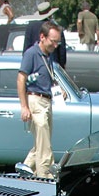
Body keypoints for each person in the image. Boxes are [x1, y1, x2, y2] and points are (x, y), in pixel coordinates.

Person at [18, 21, 63, 178]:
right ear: (42, 37)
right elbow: (21, 79)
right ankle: (45, 178)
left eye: (58, 42)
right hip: (35, 100)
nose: (56, 45)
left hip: (47, 100)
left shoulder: (48, 55)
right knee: (44, 147)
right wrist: (24, 107)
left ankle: (23, 172)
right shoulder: (31, 54)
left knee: (41, 144)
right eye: (53, 41)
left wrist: (59, 89)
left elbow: (48, 76)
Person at [23, 2, 65, 66]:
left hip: (34, 64)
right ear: (50, 14)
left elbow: (26, 49)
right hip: (52, 64)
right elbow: (62, 52)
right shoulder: (56, 28)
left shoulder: (30, 27)